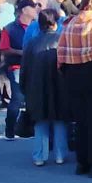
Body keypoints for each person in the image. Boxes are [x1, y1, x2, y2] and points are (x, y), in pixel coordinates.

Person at [57, 0, 92, 177]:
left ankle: (82, 163)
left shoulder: (70, 22)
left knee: (80, 121)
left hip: (73, 74)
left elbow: (61, 51)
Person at [21, 9, 70, 167]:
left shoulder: (31, 44)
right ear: (56, 23)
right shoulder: (62, 41)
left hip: (37, 87)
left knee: (40, 121)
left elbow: (24, 70)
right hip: (61, 86)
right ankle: (60, 154)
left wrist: (24, 89)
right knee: (60, 120)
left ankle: (39, 155)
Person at [0, 0, 37, 140]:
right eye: (32, 7)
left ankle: (29, 128)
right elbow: (4, 49)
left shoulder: (36, 26)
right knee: (17, 98)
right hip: (16, 66)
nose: (35, 10)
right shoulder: (9, 28)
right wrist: (21, 52)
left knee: (32, 98)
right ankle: (10, 130)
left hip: (32, 66)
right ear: (24, 10)